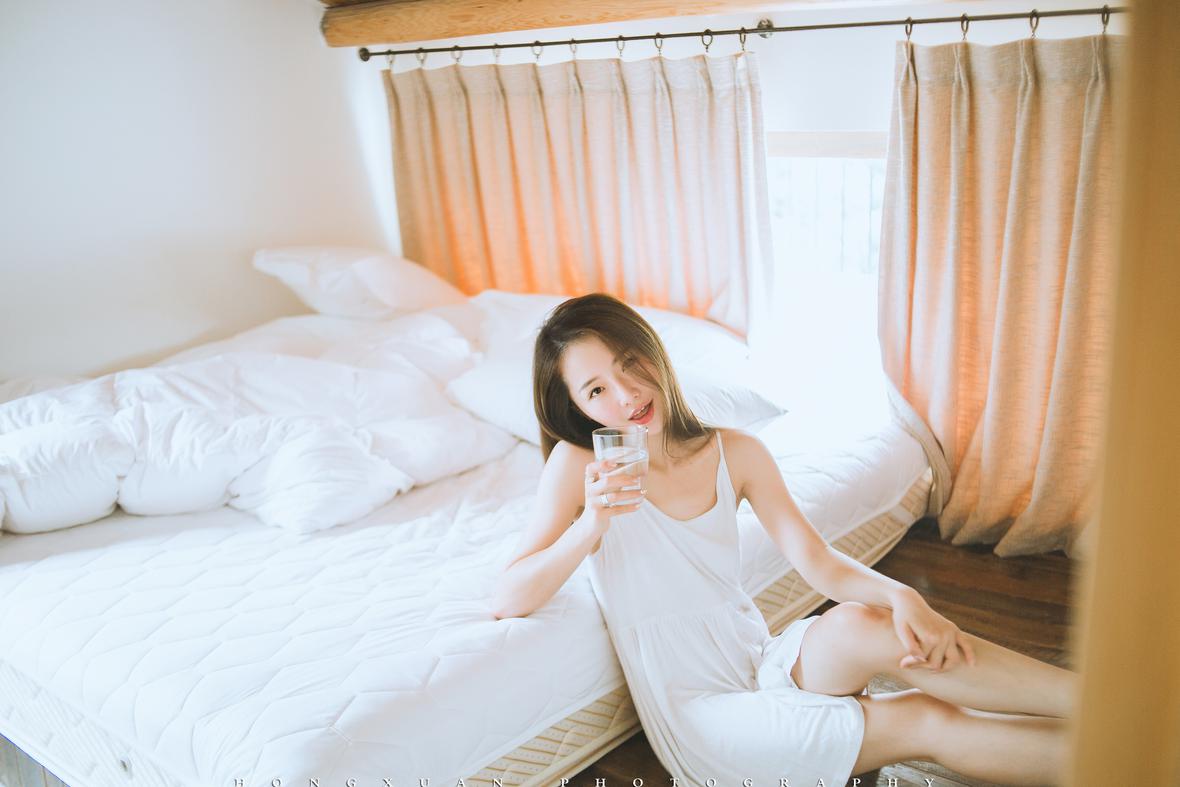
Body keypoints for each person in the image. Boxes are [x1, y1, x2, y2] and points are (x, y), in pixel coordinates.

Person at [490, 293, 1076, 786]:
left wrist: (903, 596)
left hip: (762, 659)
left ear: (653, 350)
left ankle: (1095, 700)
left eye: (629, 364)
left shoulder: (736, 451)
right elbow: (509, 596)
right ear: (577, 407)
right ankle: (1120, 752)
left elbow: (817, 561)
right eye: (596, 390)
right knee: (924, 717)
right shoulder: (579, 466)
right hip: (706, 714)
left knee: (862, 621)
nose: (626, 394)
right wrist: (591, 524)